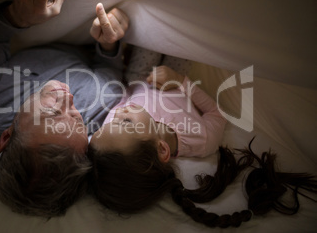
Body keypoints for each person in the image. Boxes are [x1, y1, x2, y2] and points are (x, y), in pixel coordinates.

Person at [0, 0, 129, 217]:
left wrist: (17, 16)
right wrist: (109, 42)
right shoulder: (101, 108)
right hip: (85, 37)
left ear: (7, 136)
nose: (68, 99)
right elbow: (109, 66)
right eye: (77, 120)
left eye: (50, 112)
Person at [88, 59, 317, 228]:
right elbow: (215, 113)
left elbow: (122, 100)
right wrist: (180, 81)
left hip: (137, 74)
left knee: (144, 37)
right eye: (126, 121)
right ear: (161, 148)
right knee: (171, 35)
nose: (118, 113)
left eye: (108, 124)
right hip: (174, 77)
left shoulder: (115, 135)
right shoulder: (200, 139)